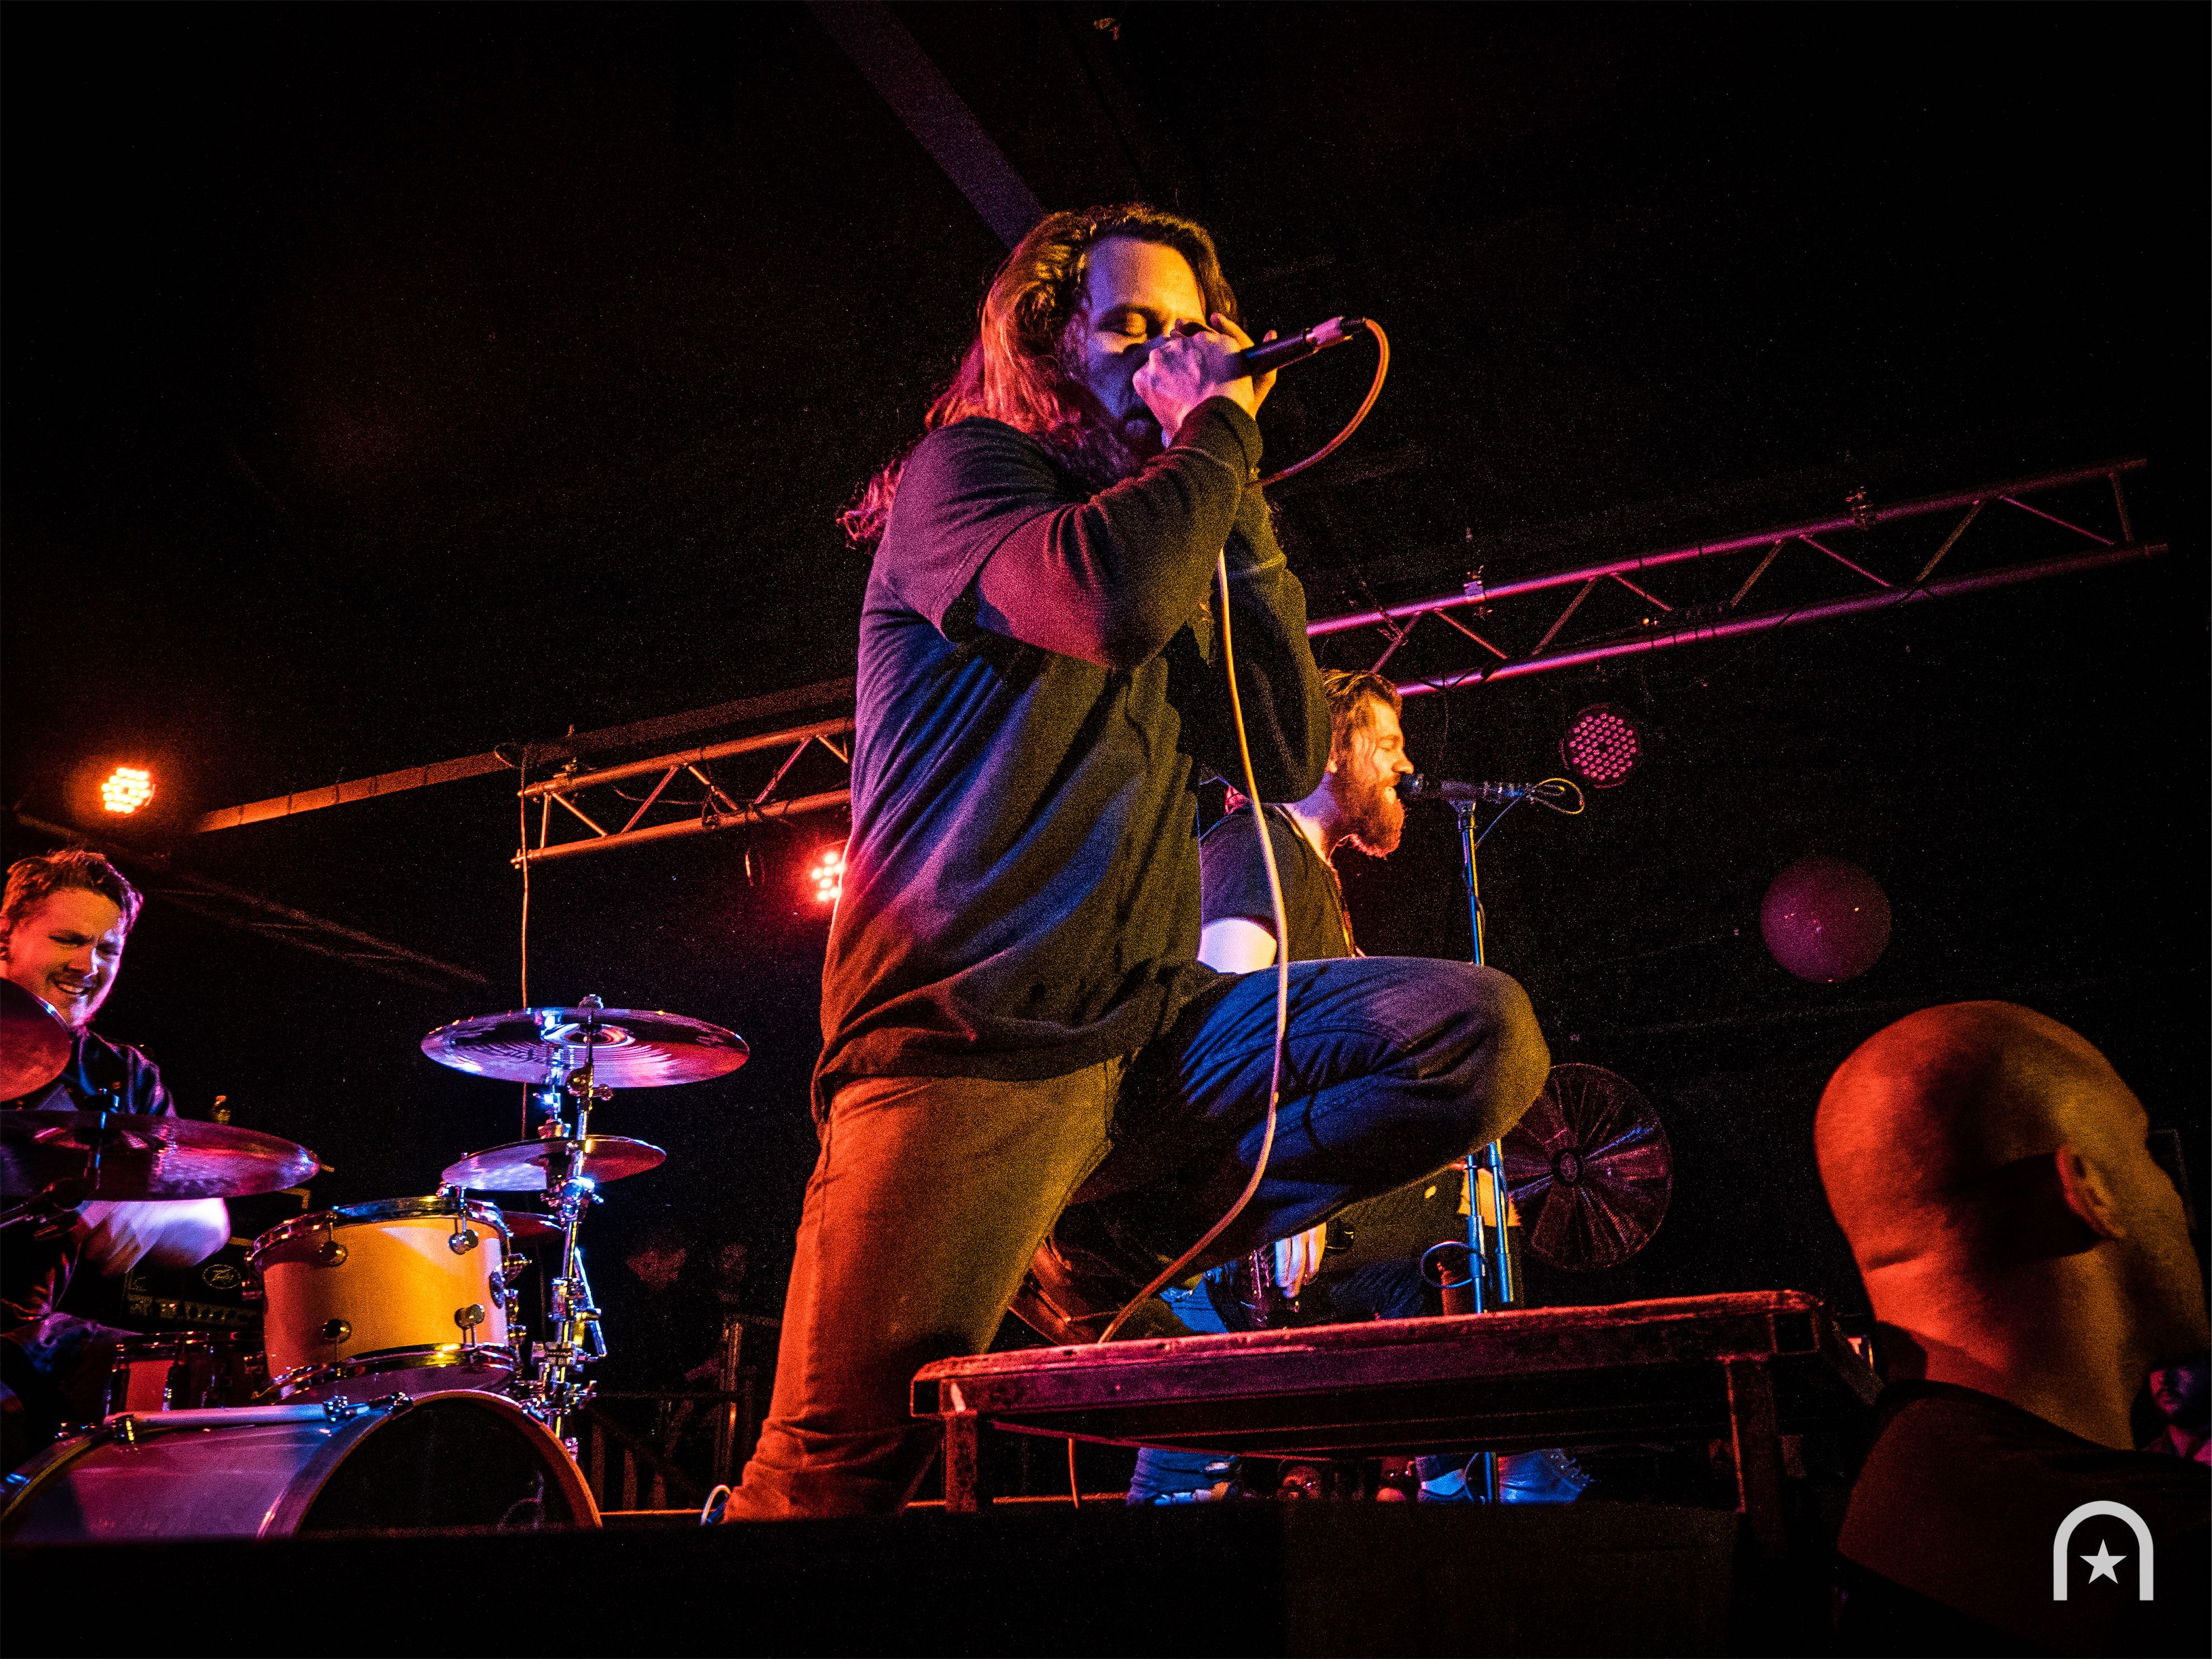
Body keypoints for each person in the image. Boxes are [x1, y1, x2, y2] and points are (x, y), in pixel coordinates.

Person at [720, 205, 1549, 1520]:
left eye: (1189, 330)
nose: (1171, 353)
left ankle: (1111, 1232)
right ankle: (1054, 1223)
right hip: (974, 1041)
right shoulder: (969, 477)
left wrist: (1239, 493)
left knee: (1472, 1037)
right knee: (834, 1478)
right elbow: (1105, 602)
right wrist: (1210, 431)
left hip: (1153, 1041)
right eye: (1131, 328)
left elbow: (1288, 749)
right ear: (1050, 346)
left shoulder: (1179, 538)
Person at [1816, 1001, 2209, 1655]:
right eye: (2143, 1151)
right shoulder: (2173, 1560)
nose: (2173, 1196)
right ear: (2089, 1191)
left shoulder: (1896, 1508)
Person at [1, 850, 229, 1466]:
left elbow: (210, 1217)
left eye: (107, 949)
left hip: (24, 1339)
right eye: (68, 940)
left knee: (182, 1400)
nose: (87, 965)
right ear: (6, 938)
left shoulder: (121, 1073)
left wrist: (152, 1216)